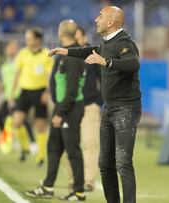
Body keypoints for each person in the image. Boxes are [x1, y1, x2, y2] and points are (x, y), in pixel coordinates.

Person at [48, 6, 141, 203]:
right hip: (110, 108)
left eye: (100, 16)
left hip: (126, 108)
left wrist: (106, 62)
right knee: (105, 164)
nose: (96, 19)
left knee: (123, 162)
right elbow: (89, 50)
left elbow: (133, 63)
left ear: (111, 22)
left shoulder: (124, 42)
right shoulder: (107, 42)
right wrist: (66, 51)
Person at [25, 19, 86, 201]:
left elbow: (72, 90)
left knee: (72, 150)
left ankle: (79, 191)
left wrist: (60, 113)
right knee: (53, 147)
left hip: (70, 109)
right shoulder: (65, 54)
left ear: (61, 34)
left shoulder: (73, 56)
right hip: (63, 107)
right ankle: (48, 186)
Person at [64, 25, 102, 192]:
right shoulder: (68, 55)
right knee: (70, 144)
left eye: (78, 38)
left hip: (88, 105)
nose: (76, 41)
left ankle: (88, 180)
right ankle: (74, 179)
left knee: (90, 144)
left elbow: (104, 79)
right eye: (74, 38)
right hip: (71, 106)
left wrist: (98, 101)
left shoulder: (93, 54)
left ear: (84, 37)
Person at [11, 27, 54, 167]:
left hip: (40, 91)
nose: (27, 41)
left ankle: (41, 157)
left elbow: (49, 75)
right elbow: (17, 73)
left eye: (29, 38)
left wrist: (47, 92)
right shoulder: (23, 53)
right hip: (25, 91)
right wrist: (12, 93)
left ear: (37, 39)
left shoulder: (47, 54)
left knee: (40, 126)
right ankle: (25, 147)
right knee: (17, 122)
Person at [0, 40, 35, 159]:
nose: (12, 50)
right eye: (10, 47)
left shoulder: (20, 62)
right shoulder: (3, 64)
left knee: (21, 121)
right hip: (8, 97)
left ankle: (31, 144)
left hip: (19, 95)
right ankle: (9, 139)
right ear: (6, 49)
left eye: (14, 47)